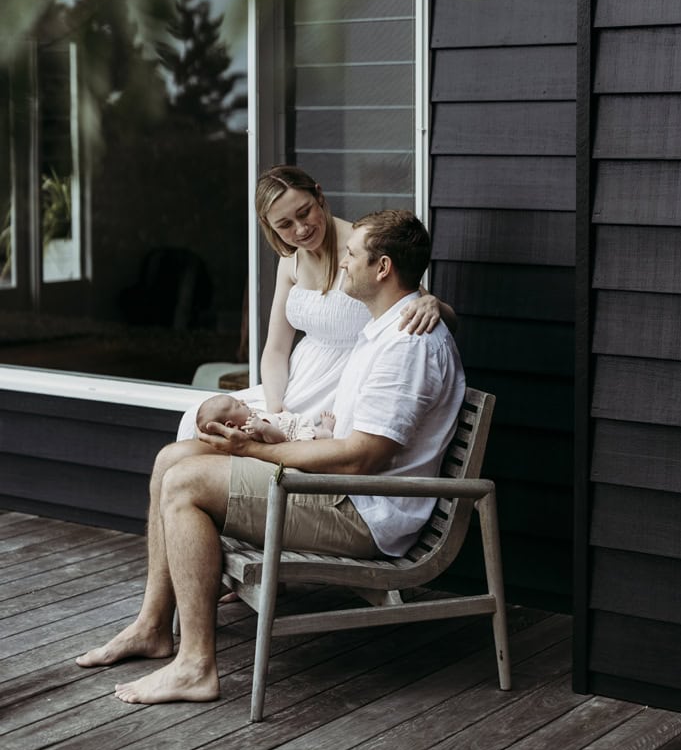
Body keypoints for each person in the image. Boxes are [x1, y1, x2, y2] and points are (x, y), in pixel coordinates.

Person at [76, 210, 465, 706]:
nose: (342, 263)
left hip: (361, 511)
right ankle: (153, 626)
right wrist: (269, 431)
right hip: (336, 490)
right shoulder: (382, 332)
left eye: (351, 254)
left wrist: (256, 449)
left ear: (383, 267)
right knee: (173, 458)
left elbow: (358, 462)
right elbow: (341, 435)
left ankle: (196, 665)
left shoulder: (406, 346)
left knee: (186, 484)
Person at [176, 164, 457, 439]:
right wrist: (276, 405)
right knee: (194, 420)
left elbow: (409, 298)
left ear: (319, 197)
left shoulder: (360, 250)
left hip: (341, 388)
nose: (301, 230)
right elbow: (275, 349)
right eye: (285, 225)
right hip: (294, 383)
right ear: (269, 226)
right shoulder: (290, 261)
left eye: (305, 212)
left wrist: (434, 303)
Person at [195, 392, 336, 442]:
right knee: (318, 436)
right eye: (237, 405)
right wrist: (262, 428)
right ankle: (326, 430)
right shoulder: (252, 431)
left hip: (286, 421)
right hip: (293, 435)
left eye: (239, 401)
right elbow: (279, 438)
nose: (242, 402)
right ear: (231, 426)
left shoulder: (249, 416)